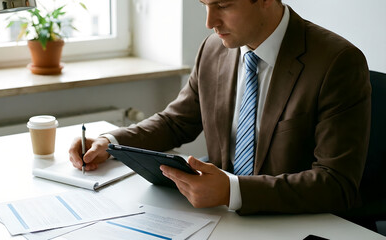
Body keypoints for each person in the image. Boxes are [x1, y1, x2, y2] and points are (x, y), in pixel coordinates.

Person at [69, 0, 370, 215]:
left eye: (223, 5)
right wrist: (112, 142)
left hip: (295, 223)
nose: (210, 22)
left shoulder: (337, 62)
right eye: (204, 5)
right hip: (220, 221)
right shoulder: (213, 48)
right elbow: (176, 122)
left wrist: (232, 191)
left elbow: (336, 183)